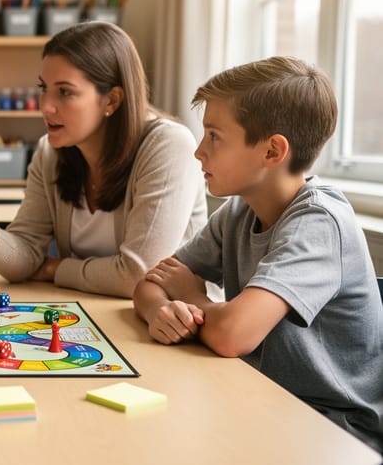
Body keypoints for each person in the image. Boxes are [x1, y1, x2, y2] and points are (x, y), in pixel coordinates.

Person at [132, 56, 383, 452]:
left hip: (332, 430)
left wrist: (192, 299)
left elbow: (233, 335)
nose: (199, 151)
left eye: (214, 136)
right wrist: (159, 312)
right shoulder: (238, 210)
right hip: (260, 396)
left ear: (271, 152)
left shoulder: (319, 223)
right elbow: (150, 285)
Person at [0, 21, 207, 298]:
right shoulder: (50, 152)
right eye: (43, 89)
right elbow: (24, 260)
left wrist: (55, 269)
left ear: (112, 100)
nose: (46, 106)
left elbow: (137, 275)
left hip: (172, 325)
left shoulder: (169, 145)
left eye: (65, 92)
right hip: (91, 314)